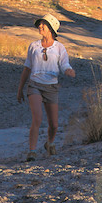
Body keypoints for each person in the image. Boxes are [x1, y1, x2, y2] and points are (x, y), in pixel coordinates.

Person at [16, 13, 75, 160]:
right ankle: (32, 151)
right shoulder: (33, 46)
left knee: (54, 124)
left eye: (44, 24)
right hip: (34, 84)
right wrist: (20, 89)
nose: (40, 26)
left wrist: (68, 70)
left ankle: (50, 143)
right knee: (37, 118)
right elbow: (27, 68)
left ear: (51, 29)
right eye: (40, 24)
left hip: (51, 87)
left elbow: (64, 64)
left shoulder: (59, 47)